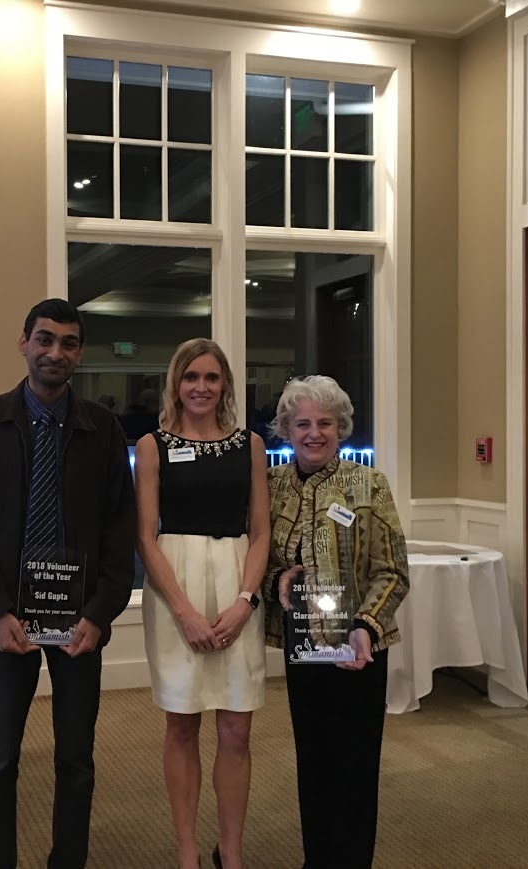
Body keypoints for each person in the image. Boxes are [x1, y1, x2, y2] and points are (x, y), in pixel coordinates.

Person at [0, 298, 137, 869]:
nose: (56, 352)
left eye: (68, 342)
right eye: (45, 339)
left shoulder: (102, 429)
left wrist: (99, 613)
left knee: (76, 758)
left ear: (79, 352)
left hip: (80, 623)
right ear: (24, 343)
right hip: (7, 619)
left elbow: (119, 528)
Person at [263, 375, 409, 869]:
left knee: (355, 763)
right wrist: (279, 579)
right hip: (303, 647)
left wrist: (365, 625)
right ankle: (317, 858)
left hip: (359, 647)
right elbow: (260, 564)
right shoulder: (271, 486)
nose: (314, 433)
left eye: (325, 422)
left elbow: (393, 571)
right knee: (313, 759)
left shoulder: (369, 484)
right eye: (302, 423)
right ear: (286, 429)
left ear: (340, 427)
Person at [134, 338, 270, 869]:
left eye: (212, 378)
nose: (201, 387)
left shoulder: (250, 446)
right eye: (192, 377)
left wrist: (245, 602)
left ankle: (230, 851)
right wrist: (185, 612)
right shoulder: (152, 445)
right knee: (183, 723)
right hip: (176, 588)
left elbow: (260, 533)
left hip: (237, 581)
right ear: (175, 383)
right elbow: (146, 536)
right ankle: (188, 851)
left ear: (226, 386)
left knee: (237, 726)